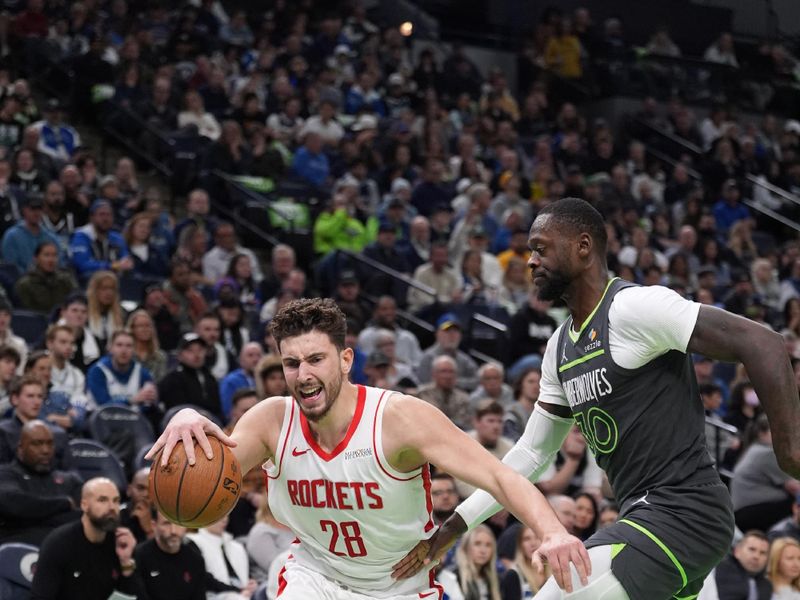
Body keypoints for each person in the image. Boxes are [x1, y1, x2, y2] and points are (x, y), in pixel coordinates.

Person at [399, 197, 800, 599]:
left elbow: (761, 341)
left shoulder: (633, 308)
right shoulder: (559, 348)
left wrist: (790, 450)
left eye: (541, 247)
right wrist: (456, 524)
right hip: (646, 517)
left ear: (583, 246)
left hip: (683, 513)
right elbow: (532, 454)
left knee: (562, 590)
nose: (531, 261)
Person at [146, 298, 590, 598]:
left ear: (345, 359)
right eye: (291, 363)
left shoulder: (398, 420)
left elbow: (500, 476)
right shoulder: (270, 420)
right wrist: (185, 417)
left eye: (316, 359)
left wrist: (551, 530)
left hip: (400, 587)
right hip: (314, 577)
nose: (303, 374)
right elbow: (208, 471)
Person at [30, 477, 146, 600]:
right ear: (84, 505)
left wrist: (126, 562)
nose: (112, 507)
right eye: (102, 500)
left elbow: (135, 597)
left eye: (116, 501)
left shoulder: (121, 542)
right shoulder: (59, 543)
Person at [0, 420, 82, 545]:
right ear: (20, 448)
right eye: (37, 444)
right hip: (18, 551)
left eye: (50, 444)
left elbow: (82, 515)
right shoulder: (6, 474)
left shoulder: (68, 480)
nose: (45, 450)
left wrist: (32, 516)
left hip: (64, 550)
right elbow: (15, 505)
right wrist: (64, 504)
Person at [731, 414, 800, 533]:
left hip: (745, 511)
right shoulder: (766, 453)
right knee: (796, 506)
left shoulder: (754, 449)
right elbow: (794, 487)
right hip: (752, 511)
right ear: (762, 433)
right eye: (777, 431)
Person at [135, 508, 208, 600]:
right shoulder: (140, 555)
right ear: (154, 526)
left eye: (179, 524)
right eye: (167, 523)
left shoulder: (195, 560)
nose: (174, 531)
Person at [186, 515, 257, 599]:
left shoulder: (237, 547)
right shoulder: (193, 542)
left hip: (245, 594)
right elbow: (205, 579)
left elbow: (247, 575)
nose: (224, 519)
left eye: (226, 515)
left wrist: (252, 583)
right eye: (219, 515)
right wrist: (238, 591)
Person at [86, 329, 157, 409]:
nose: (124, 350)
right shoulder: (97, 371)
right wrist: (132, 400)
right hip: (102, 419)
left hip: (133, 420)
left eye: (129, 346)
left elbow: (149, 405)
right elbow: (104, 405)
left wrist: (150, 398)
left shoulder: (142, 372)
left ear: (134, 350)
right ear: (110, 348)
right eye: (119, 345)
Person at [158, 332, 222, 420]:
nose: (197, 354)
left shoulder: (210, 377)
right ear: (180, 355)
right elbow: (177, 410)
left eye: (200, 349)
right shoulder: (172, 379)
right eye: (190, 350)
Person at [699, 531, 772, 600]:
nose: (756, 556)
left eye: (763, 553)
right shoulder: (721, 571)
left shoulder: (767, 585)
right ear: (737, 551)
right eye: (752, 549)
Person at [14, 239, 77, 313]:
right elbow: (26, 313)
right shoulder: (25, 284)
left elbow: (77, 302)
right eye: (46, 255)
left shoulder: (66, 279)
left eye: (54, 255)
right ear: (36, 258)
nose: (51, 260)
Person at [451, 525, 501, 600]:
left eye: (488, 545)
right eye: (477, 544)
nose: (483, 551)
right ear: (466, 546)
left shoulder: (495, 578)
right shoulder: (454, 577)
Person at [500, 526, 549, 599]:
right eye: (527, 539)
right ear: (520, 545)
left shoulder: (555, 571)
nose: (533, 543)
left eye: (537, 537)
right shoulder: (513, 575)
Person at [219, 342, 263, 420]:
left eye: (258, 355)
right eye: (250, 355)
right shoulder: (230, 381)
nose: (255, 359)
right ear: (241, 360)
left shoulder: (267, 379)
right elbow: (228, 412)